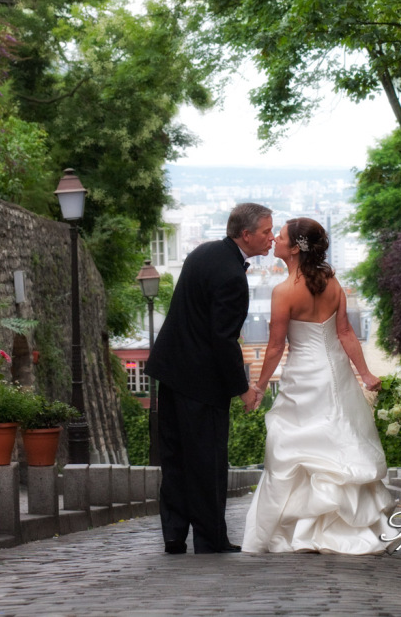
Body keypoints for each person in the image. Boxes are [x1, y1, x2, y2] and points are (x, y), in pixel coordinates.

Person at [242, 217, 395, 554]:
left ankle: (303, 532)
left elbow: (276, 346)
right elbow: (344, 333)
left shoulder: (283, 292)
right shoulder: (332, 282)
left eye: (280, 236)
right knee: (340, 440)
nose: (276, 241)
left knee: (295, 446)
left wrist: (259, 386)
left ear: (295, 248)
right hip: (335, 373)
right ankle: (343, 525)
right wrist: (365, 374)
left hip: (303, 377)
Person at [145, 203, 272, 554]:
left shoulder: (203, 252)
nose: (271, 238)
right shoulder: (232, 274)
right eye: (266, 232)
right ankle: (210, 537)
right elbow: (223, 338)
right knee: (206, 460)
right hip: (201, 381)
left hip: (170, 370)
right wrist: (243, 388)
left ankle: (173, 535)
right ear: (245, 234)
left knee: (175, 458)